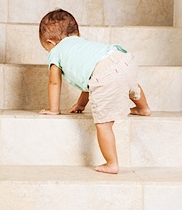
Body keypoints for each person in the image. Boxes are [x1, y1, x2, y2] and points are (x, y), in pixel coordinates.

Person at [39, 9, 151, 174]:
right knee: (129, 83)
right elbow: (91, 81)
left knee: (103, 122)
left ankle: (111, 163)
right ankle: (144, 108)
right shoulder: (83, 44)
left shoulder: (56, 52)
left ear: (50, 42)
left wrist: (54, 109)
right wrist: (80, 104)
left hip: (104, 74)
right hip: (123, 58)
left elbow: (54, 82)